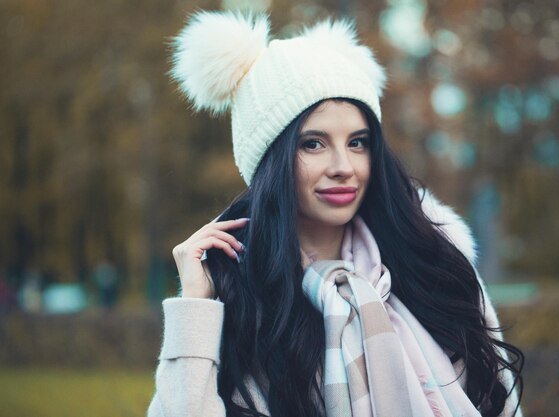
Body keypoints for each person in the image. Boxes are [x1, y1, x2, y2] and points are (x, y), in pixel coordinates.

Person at [148, 10, 524, 417]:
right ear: (271, 161)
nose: (344, 165)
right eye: (314, 144)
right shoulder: (237, 288)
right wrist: (196, 307)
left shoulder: (433, 262)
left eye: (358, 142)